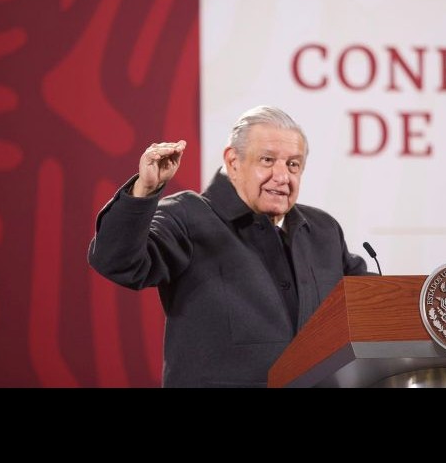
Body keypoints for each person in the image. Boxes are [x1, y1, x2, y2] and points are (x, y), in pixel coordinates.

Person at [87, 106, 370, 387]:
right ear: (233, 161)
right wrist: (144, 191)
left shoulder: (323, 229)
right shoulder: (186, 215)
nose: (283, 176)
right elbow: (118, 262)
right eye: (267, 160)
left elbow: (371, 302)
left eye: (293, 165)